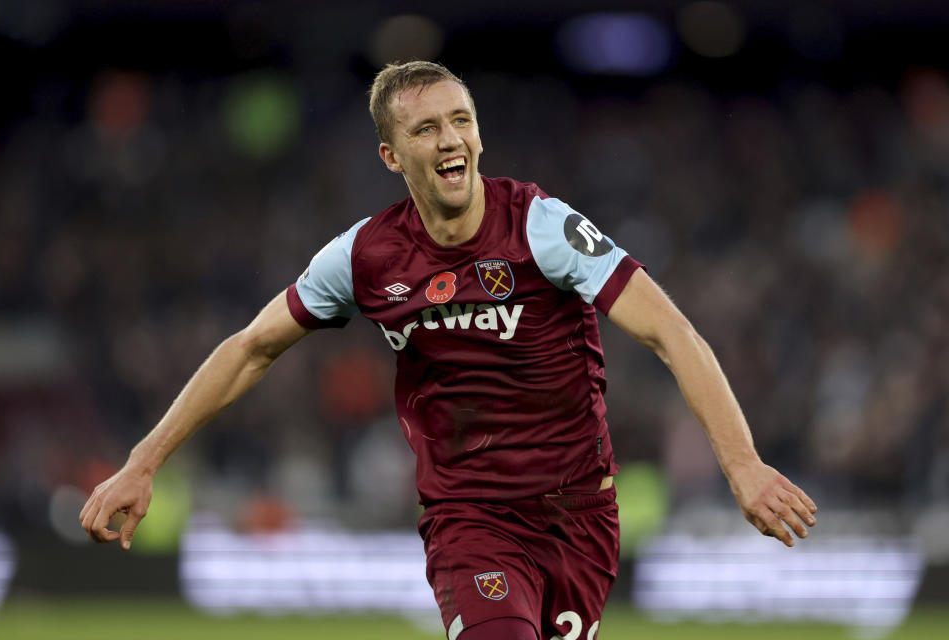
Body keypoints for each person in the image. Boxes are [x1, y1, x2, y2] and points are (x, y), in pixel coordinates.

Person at [80, 61, 817, 640]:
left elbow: (670, 332)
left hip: (578, 518)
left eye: (461, 121)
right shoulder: (365, 256)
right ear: (392, 154)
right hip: (471, 517)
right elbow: (250, 349)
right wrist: (143, 462)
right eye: (427, 129)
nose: (450, 139)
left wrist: (742, 465)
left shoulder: (543, 227)